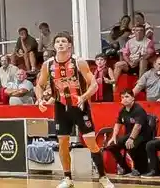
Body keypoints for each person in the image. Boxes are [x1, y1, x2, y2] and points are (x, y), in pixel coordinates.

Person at [35, 32, 114, 188]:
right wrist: (39, 99)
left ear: (69, 44)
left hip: (79, 106)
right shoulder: (48, 65)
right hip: (60, 107)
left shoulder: (79, 62)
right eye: (57, 41)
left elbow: (94, 84)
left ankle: (103, 177)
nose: (60, 44)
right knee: (63, 142)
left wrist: (83, 97)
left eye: (64, 41)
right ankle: (67, 178)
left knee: (91, 143)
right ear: (54, 45)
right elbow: (39, 85)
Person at [105, 89, 151, 176]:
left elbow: (138, 126)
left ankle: (138, 170)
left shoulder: (138, 110)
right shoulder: (123, 111)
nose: (124, 99)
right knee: (112, 146)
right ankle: (126, 168)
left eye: (127, 97)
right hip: (130, 135)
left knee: (130, 145)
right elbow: (118, 123)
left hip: (143, 135)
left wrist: (131, 138)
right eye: (122, 97)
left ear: (133, 98)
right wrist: (113, 136)